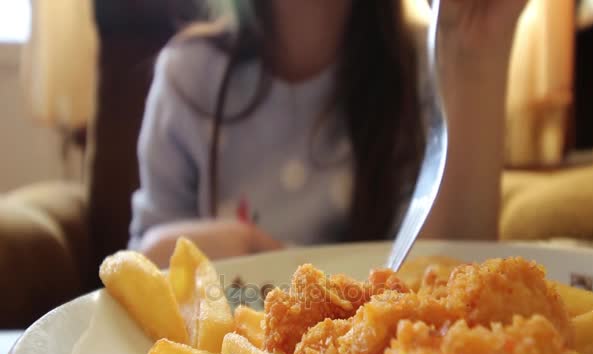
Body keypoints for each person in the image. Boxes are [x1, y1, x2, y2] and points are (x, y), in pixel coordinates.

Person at [129, 0, 528, 267]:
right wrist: (241, 243)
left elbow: (453, 275)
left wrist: (478, 50)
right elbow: (142, 266)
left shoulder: (429, 68)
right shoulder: (188, 76)